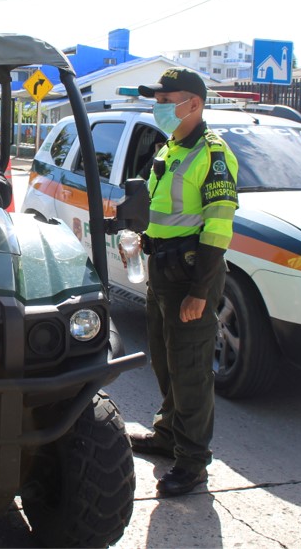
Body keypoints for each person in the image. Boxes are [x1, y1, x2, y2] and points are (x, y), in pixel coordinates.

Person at [126, 67, 239, 498]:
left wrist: (198, 291)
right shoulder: (170, 148)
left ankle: (192, 463)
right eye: (156, 100)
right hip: (162, 271)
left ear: (193, 103)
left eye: (166, 100)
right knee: (165, 360)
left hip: (192, 276)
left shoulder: (213, 154)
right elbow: (161, 209)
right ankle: (168, 433)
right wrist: (139, 237)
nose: (158, 107)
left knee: (190, 371)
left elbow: (217, 230)